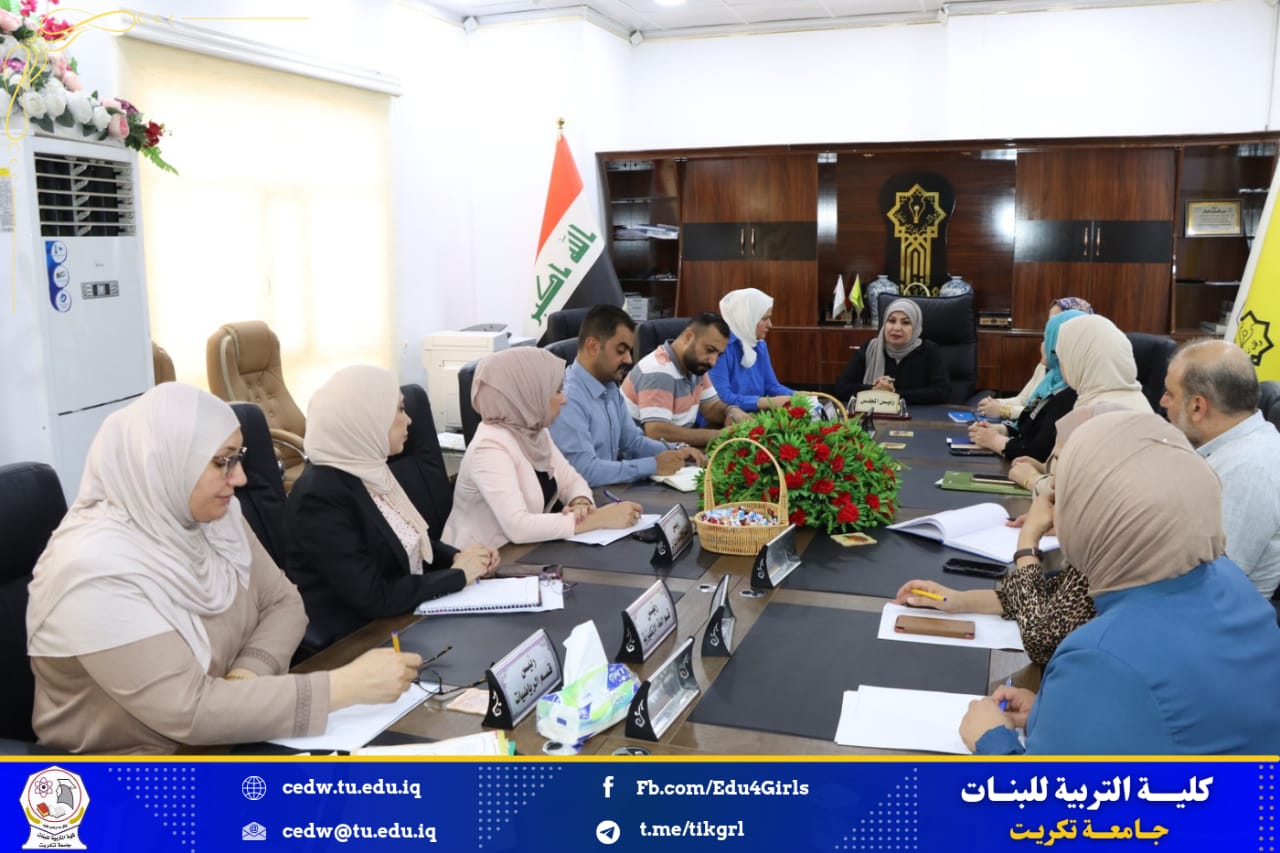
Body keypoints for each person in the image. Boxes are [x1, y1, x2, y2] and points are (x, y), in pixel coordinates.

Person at [25, 383, 424, 754]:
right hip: (128, 776)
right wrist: (342, 687)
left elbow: (284, 603)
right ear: (165, 463)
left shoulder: (213, 516)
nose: (241, 478)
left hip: (232, 736)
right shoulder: (93, 573)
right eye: (222, 462)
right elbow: (190, 711)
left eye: (239, 458)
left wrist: (244, 679)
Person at [958, 411, 1280, 754]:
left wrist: (991, 738)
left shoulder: (1100, 655)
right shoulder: (1233, 583)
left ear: (1098, 515)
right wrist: (1052, 714)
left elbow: (1047, 788)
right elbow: (1191, 715)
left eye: (1062, 498)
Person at [284, 365, 499, 647]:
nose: (409, 420)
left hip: (404, 614)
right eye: (399, 410)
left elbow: (409, 540)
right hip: (359, 639)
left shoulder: (371, 470)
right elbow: (373, 596)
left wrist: (462, 558)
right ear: (367, 418)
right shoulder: (318, 496)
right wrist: (459, 575)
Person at [445, 347, 643, 549]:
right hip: (487, 559)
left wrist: (580, 502)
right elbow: (518, 527)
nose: (564, 399)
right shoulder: (489, 447)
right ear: (528, 394)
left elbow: (571, 481)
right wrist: (597, 519)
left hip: (526, 551)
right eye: (557, 391)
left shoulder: (534, 431)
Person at [1162, 339, 1280, 597]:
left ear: (1197, 406)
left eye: (1170, 394)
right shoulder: (1230, 448)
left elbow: (1212, 583)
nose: (1163, 402)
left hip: (1210, 611)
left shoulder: (1247, 470)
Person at [549, 305, 704, 487]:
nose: (629, 360)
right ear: (592, 346)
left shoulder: (609, 385)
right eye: (621, 351)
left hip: (610, 489)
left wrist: (676, 451)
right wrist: (653, 465)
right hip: (585, 496)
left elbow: (632, 443)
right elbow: (584, 471)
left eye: (629, 351)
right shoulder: (568, 398)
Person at [1005, 313, 1152, 495]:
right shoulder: (1138, 401)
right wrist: (1045, 468)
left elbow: (1073, 495)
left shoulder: (1094, 414)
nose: (1061, 364)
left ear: (1079, 359)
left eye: (1063, 357)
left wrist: (1031, 480)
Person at [965, 309, 1084, 462]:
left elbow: (1038, 451)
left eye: (1048, 339)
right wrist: (1001, 430)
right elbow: (1027, 421)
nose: (1043, 344)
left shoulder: (1070, 394)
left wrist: (995, 440)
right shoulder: (1051, 381)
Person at [621, 312, 751, 448]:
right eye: (709, 350)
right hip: (641, 455)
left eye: (718, 355)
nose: (713, 362)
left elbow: (711, 407)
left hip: (675, 449)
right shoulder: (659, 370)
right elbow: (657, 432)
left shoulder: (694, 366)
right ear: (688, 337)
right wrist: (718, 435)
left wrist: (731, 411)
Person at [975, 297, 1093, 420]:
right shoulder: (1046, 365)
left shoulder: (1074, 380)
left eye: (1057, 323)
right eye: (1049, 322)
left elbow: (1041, 415)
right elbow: (1025, 402)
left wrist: (1004, 410)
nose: (1049, 330)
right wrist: (995, 403)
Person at [834, 298, 949, 405]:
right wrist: (874, 389)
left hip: (917, 416)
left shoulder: (929, 350)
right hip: (874, 414)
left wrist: (893, 395)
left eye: (905, 322)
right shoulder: (869, 349)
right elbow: (841, 388)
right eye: (892, 321)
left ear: (916, 327)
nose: (896, 328)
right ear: (884, 324)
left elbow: (942, 392)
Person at [706, 288, 794, 413]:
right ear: (746, 318)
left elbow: (771, 386)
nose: (770, 325)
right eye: (764, 318)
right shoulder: (720, 347)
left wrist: (798, 396)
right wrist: (763, 402)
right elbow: (720, 399)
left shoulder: (760, 345)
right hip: (722, 419)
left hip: (753, 416)